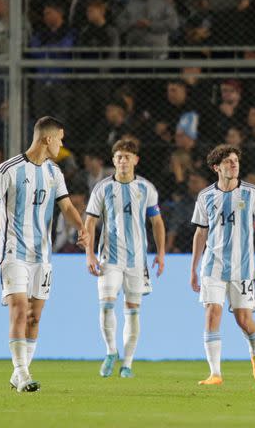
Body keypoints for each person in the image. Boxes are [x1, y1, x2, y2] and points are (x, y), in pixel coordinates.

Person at [0, 117, 89, 393]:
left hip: (42, 256)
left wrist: (82, 228)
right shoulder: (8, 169)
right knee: (19, 309)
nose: (61, 144)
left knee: (34, 317)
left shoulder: (55, 172)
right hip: (13, 252)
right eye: (60, 139)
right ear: (47, 139)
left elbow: (66, 206)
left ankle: (20, 372)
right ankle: (22, 373)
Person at [190, 144, 255, 386]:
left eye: (235, 160)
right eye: (228, 162)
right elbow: (200, 233)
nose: (234, 164)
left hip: (243, 267)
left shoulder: (252, 193)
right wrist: (193, 268)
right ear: (217, 167)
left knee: (244, 320)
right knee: (212, 313)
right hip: (212, 266)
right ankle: (215, 373)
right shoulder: (205, 197)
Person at [85, 139, 166, 379]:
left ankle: (127, 363)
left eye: (127, 157)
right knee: (107, 303)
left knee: (133, 310)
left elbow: (157, 222)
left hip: (137, 260)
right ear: (113, 161)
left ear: (135, 160)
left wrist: (161, 253)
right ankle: (111, 351)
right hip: (109, 257)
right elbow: (89, 222)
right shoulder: (102, 188)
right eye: (119, 157)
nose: (123, 161)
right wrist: (89, 254)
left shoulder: (146, 189)